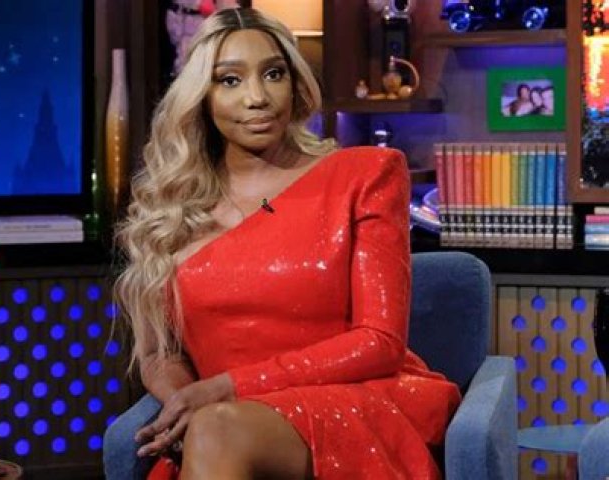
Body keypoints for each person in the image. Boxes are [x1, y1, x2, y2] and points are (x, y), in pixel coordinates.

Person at [104, 7, 461, 479]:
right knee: (215, 433)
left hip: (354, 405)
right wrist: (185, 403)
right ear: (201, 96)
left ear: (295, 85)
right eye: (230, 80)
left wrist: (225, 389)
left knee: (217, 433)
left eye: (273, 74)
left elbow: (380, 343)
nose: (257, 97)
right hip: (222, 425)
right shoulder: (170, 210)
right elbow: (159, 354)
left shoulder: (364, 176)